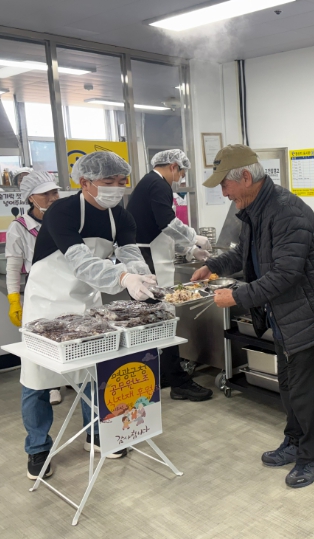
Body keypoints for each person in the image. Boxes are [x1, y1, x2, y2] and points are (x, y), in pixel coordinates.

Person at [191, 145, 314, 489]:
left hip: (312, 317)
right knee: (289, 388)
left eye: (225, 185)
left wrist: (237, 296)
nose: (224, 193)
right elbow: (245, 255)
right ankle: (294, 441)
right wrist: (213, 266)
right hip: (286, 316)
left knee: (308, 393)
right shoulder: (254, 210)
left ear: (246, 177)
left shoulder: (287, 211)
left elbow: (286, 273)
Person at [20, 151, 157, 480]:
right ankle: (38, 448)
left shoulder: (121, 216)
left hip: (85, 301)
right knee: (37, 380)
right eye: (108, 181)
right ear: (85, 182)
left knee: (93, 373)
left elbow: (130, 253)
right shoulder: (62, 212)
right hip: (46, 302)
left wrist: (143, 278)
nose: (117, 188)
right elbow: (81, 262)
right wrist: (123, 278)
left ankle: (96, 435)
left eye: (122, 181)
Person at [127, 149, 212, 402]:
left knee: (156, 320)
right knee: (162, 318)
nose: (182, 177)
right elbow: (167, 223)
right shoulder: (158, 184)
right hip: (148, 262)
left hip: (149, 256)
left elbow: (161, 230)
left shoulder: (151, 183)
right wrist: (194, 238)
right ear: (173, 166)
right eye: (182, 172)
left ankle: (164, 373)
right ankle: (178, 382)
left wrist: (189, 250)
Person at [6, 171, 62, 405]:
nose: (52, 197)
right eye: (45, 194)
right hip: (39, 289)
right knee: (44, 338)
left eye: (55, 192)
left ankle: (68, 377)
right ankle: (50, 386)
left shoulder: (64, 218)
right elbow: (13, 265)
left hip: (67, 285)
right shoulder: (20, 227)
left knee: (70, 333)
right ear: (31, 198)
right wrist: (13, 300)